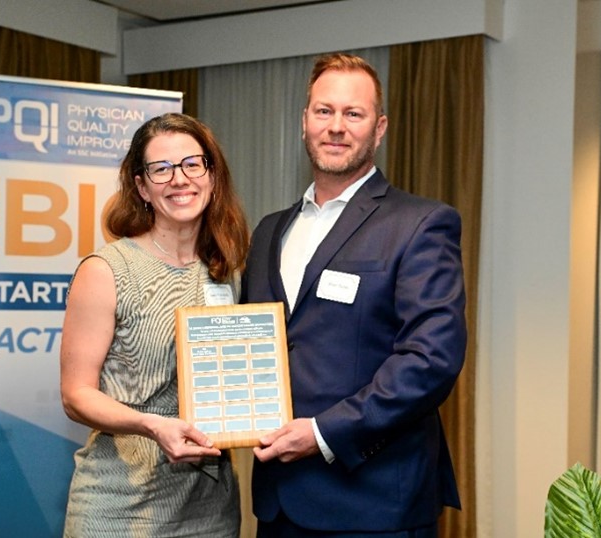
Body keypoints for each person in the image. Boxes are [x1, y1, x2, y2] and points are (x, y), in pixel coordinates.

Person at [241, 53, 467, 537]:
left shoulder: (420, 224)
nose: (336, 127)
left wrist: (323, 433)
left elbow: (431, 359)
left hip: (374, 504)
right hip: (279, 503)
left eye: (354, 114)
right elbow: (251, 344)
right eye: (324, 111)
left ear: (379, 128)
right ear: (304, 121)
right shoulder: (267, 232)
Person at [60, 112, 249, 537]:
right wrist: (153, 425)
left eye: (191, 164)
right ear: (142, 186)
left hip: (211, 507)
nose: (178, 179)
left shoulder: (228, 270)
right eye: (160, 169)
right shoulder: (106, 270)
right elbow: (75, 396)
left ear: (212, 175)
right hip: (120, 505)